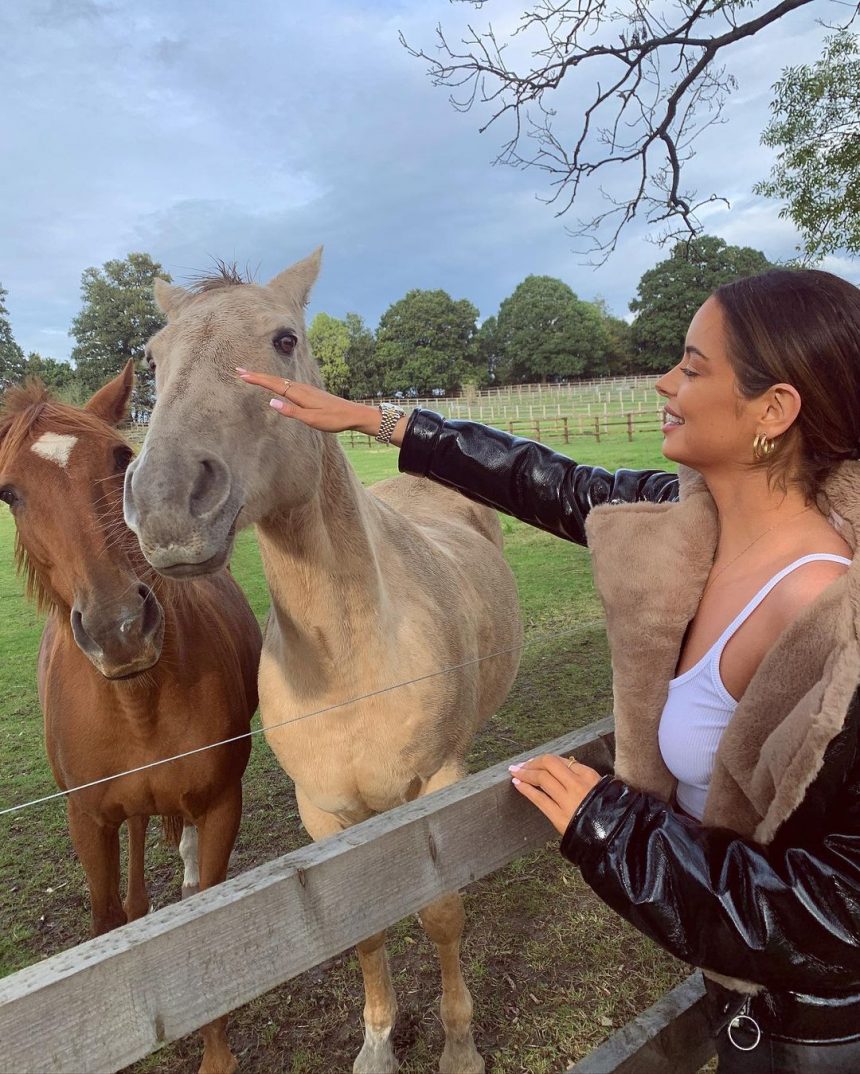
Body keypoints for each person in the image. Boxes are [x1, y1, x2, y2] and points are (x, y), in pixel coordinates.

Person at [236, 267, 860, 1072]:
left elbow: (837, 917)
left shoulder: (835, 620)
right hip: (745, 1005)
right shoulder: (696, 524)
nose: (664, 382)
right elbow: (554, 483)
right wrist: (375, 420)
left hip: (814, 1034)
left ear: (772, 411)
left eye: (692, 368)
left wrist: (611, 827)